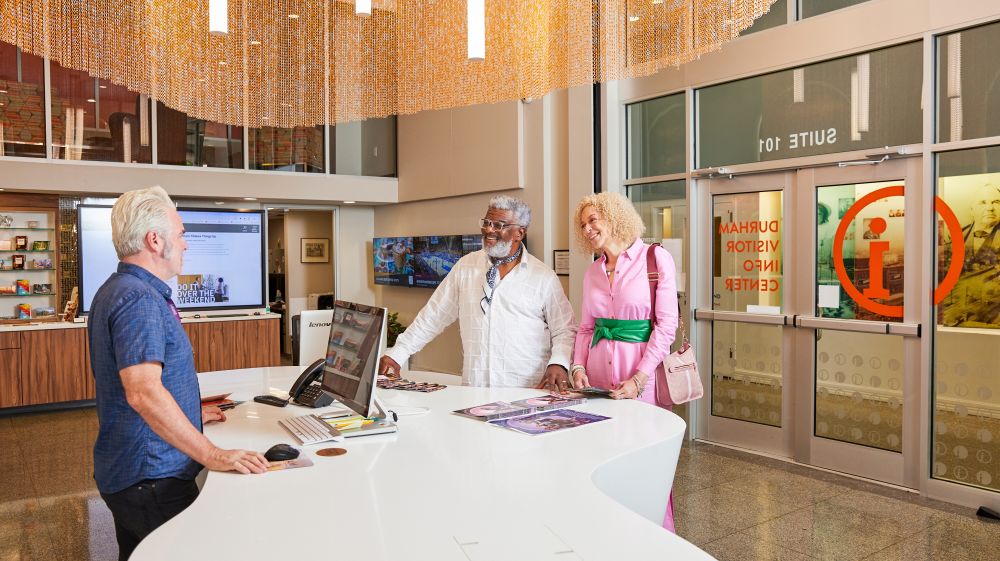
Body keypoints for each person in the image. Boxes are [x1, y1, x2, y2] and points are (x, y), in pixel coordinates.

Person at [88, 186, 269, 561]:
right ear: (155, 240)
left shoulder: (120, 288)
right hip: (152, 477)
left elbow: (143, 386)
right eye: (182, 234)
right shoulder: (138, 299)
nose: (186, 244)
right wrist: (213, 455)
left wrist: (189, 411)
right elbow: (143, 392)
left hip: (133, 470)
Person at [379, 195, 576, 389]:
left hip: (525, 393)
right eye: (487, 222)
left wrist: (558, 363)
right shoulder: (465, 267)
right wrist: (398, 354)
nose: (489, 230)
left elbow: (564, 329)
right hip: (475, 392)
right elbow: (433, 316)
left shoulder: (543, 277)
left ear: (519, 233)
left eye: (499, 225)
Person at [569, 191, 679, 532]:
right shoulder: (592, 274)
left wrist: (640, 378)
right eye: (582, 224)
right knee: (604, 458)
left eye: (593, 220)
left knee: (645, 463)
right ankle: (610, 535)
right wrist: (577, 367)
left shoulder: (655, 259)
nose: (587, 228)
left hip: (641, 383)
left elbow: (666, 326)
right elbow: (586, 328)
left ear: (614, 216)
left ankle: (654, 538)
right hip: (599, 385)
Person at [961, 183, 1000, 269]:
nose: (990, 208)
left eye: (996, 202)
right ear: (972, 210)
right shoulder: (957, 237)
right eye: (983, 203)